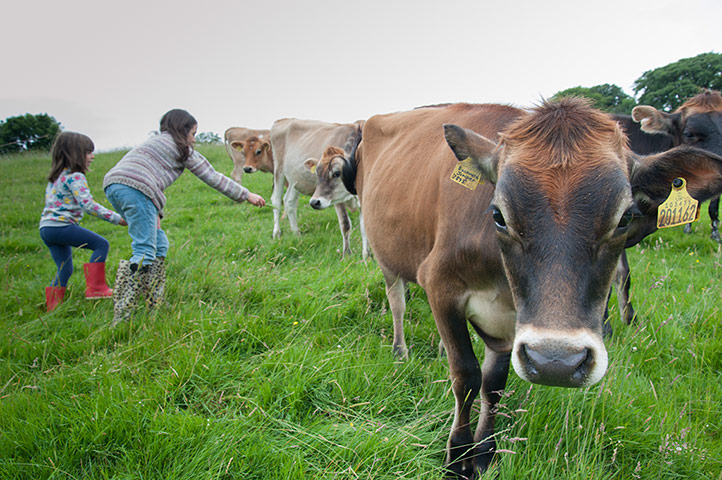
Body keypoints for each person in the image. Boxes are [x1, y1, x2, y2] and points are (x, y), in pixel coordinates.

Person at [103, 108, 265, 324]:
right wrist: (247, 195)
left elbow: (146, 174)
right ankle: (123, 314)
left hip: (115, 186)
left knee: (159, 244)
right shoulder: (182, 148)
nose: (194, 139)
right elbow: (212, 176)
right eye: (194, 133)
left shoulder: (155, 142)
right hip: (137, 188)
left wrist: (153, 209)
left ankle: (155, 301)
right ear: (183, 130)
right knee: (144, 249)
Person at [39, 131, 128, 312]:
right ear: (75, 154)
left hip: (46, 228)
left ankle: (52, 309)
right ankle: (96, 288)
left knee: (65, 268)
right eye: (88, 152)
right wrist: (116, 218)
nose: (92, 156)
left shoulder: (56, 177)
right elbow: (88, 205)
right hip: (62, 226)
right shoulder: (75, 176)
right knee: (101, 244)